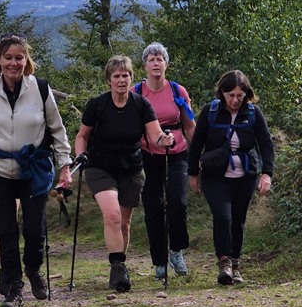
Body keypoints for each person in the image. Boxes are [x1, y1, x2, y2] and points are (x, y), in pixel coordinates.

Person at [0, 34, 72, 307]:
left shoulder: (40, 88)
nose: (14, 63)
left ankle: (34, 270)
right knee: (8, 232)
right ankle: (13, 287)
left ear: (27, 60)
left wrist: (64, 166)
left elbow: (57, 129)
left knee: (34, 229)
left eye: (19, 57)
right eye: (9, 57)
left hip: (33, 170)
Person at [74, 55, 173, 293]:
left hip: (131, 169)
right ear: (109, 80)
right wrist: (81, 155)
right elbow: (82, 136)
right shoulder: (97, 105)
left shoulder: (141, 105)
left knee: (124, 224)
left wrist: (165, 140)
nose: (121, 80)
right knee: (112, 215)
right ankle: (118, 266)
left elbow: (155, 136)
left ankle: (118, 265)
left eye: (126, 75)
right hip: (100, 167)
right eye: (117, 76)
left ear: (131, 77)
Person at [187, 70, 275, 285]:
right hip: (215, 174)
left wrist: (267, 174)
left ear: (246, 94)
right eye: (231, 95)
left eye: (239, 95)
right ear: (222, 93)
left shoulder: (254, 113)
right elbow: (196, 144)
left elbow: (266, 145)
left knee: (238, 221)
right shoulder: (211, 111)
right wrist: (192, 174)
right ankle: (224, 263)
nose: (235, 100)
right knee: (223, 217)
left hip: (245, 175)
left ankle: (235, 265)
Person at [132, 43, 196, 281]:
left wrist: (198, 155)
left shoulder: (178, 91)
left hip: (177, 152)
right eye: (151, 59)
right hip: (148, 155)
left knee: (178, 203)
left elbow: (189, 124)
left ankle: (176, 251)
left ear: (166, 64)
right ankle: (159, 261)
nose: (156, 63)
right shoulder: (136, 92)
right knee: (153, 207)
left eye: (160, 58)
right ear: (145, 65)